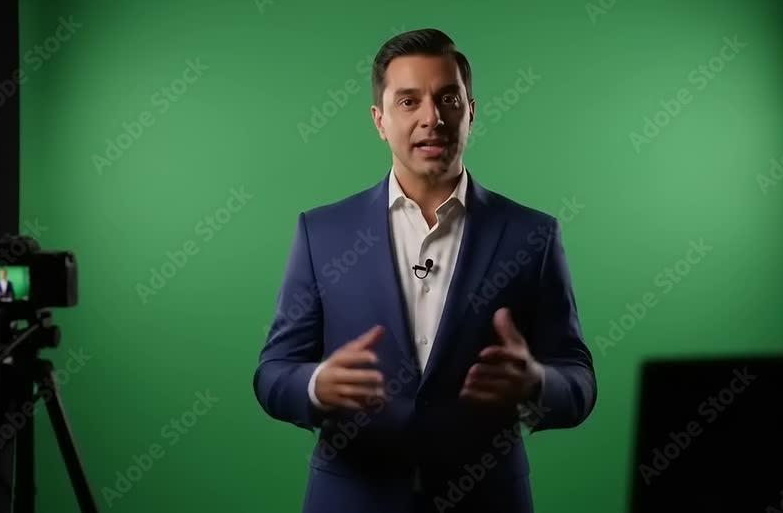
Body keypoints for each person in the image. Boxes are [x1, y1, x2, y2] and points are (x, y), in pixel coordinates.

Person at [253, 28, 597, 513]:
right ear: (380, 120)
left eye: (448, 99)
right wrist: (316, 385)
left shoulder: (532, 235)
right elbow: (272, 372)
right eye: (409, 101)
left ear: (470, 112)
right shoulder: (322, 233)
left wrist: (536, 382)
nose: (431, 118)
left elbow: (579, 381)